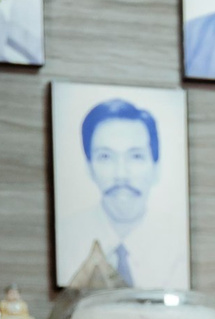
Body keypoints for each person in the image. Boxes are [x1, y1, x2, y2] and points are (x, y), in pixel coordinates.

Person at [73, 97, 183, 289]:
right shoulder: (69, 238)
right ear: (89, 167)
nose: (121, 175)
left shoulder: (179, 248)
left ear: (156, 167)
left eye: (136, 156)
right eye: (106, 157)